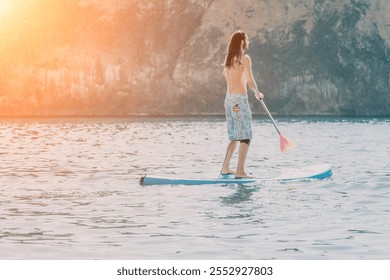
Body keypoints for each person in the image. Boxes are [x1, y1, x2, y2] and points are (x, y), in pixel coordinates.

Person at [221, 30, 264, 179]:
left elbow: (232, 78)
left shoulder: (228, 59)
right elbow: (250, 80)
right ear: (241, 42)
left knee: (234, 135)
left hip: (229, 100)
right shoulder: (245, 58)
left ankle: (225, 168)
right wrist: (258, 93)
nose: (247, 44)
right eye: (245, 41)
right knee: (246, 136)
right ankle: (240, 171)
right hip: (239, 100)